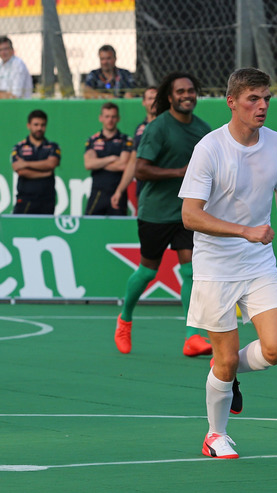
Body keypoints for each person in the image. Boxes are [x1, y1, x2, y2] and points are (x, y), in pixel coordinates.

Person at [180, 67, 277, 459]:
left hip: (259, 262)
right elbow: (190, 215)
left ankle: (231, 373)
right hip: (215, 267)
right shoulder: (209, 148)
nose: (263, 105)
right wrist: (243, 230)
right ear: (232, 102)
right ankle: (215, 435)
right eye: (253, 98)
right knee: (225, 357)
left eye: (267, 98)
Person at [114, 72, 213, 357]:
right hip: (155, 212)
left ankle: (192, 336)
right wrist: (180, 173)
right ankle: (124, 319)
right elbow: (141, 169)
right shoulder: (157, 128)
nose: (187, 95)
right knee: (147, 271)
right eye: (180, 91)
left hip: (187, 213)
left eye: (191, 90)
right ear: (169, 97)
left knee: (190, 270)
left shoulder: (204, 130)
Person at [111, 86, 157, 214]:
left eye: (156, 98)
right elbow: (133, 162)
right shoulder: (140, 129)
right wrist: (119, 190)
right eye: (150, 98)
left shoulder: (169, 124)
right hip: (144, 190)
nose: (154, 101)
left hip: (165, 190)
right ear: (144, 102)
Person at [84, 102, 133, 216]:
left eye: (113, 117)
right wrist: (111, 158)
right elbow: (88, 164)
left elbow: (123, 165)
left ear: (118, 118)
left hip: (117, 192)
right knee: (90, 226)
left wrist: (99, 162)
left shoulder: (126, 140)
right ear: (101, 118)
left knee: (118, 228)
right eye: (107, 116)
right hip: (97, 193)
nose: (110, 120)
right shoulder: (93, 140)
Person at [11, 109, 61, 214]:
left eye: (43, 125)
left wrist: (26, 163)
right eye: (36, 124)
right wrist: (45, 172)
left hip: (47, 199)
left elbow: (51, 163)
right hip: (25, 198)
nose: (39, 128)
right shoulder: (19, 147)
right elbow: (20, 171)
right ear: (28, 125)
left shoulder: (52, 146)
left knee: (45, 230)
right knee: (20, 228)